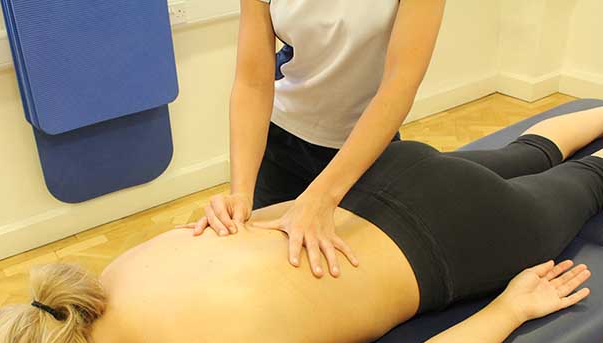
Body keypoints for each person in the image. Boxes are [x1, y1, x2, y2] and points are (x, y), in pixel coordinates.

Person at [0, 108, 603, 343]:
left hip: (458, 238)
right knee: (531, 153)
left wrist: (513, 306)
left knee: (590, 181)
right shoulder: (115, 276)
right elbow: (263, 222)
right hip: (381, 178)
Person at [190, 0, 446, 278]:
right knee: (270, 273)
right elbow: (252, 82)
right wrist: (240, 192)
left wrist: (323, 197)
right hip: (282, 145)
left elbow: (400, 83)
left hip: (365, 153)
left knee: (356, 279)